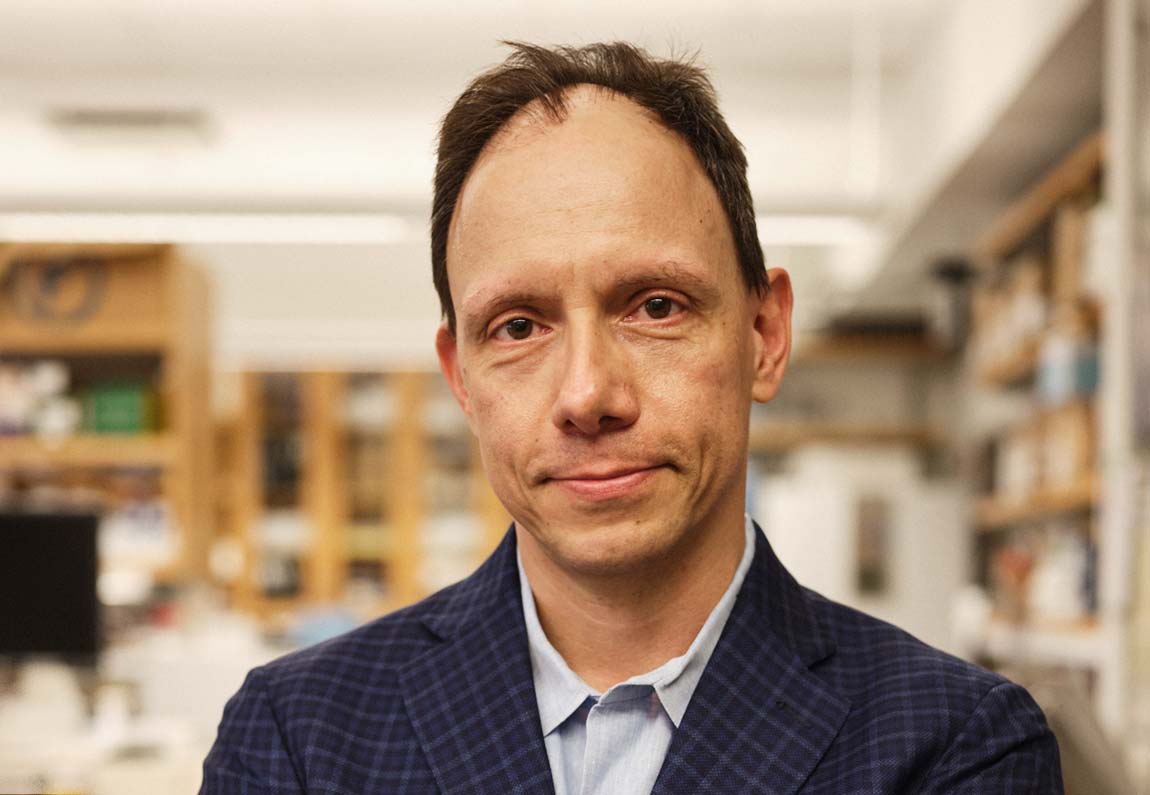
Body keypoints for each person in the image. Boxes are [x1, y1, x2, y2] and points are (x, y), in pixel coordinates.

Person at [202, 42, 1062, 794]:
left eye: (654, 306)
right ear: (461, 377)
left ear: (764, 335)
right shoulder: (297, 737)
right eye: (519, 326)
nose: (587, 394)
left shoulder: (956, 745)